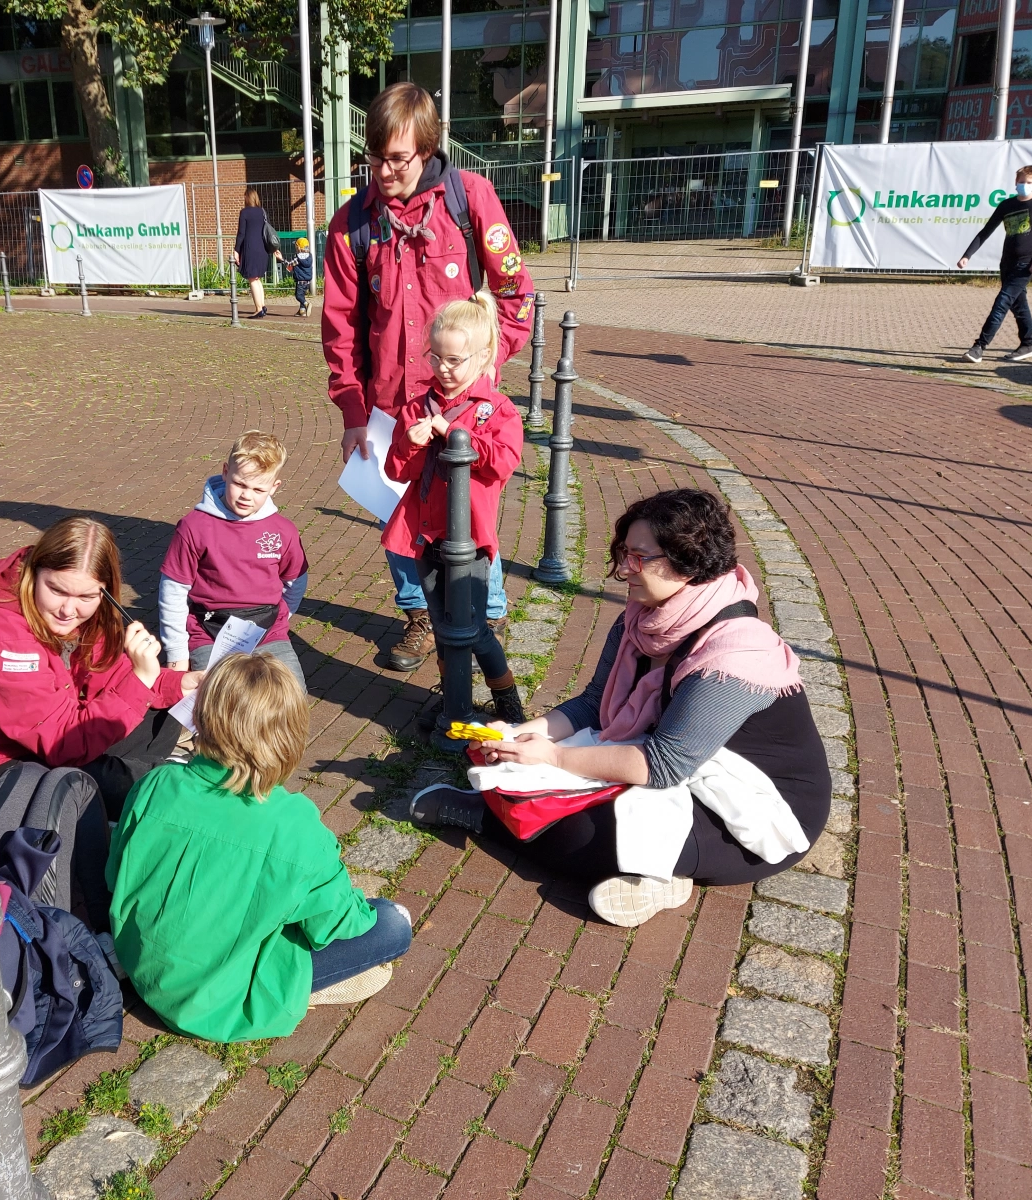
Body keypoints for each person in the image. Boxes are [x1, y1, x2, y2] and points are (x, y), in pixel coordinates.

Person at [409, 490, 831, 928]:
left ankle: (489, 818)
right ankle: (655, 872)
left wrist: (552, 755)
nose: (623, 569)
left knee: (579, 830)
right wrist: (517, 735)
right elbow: (594, 703)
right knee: (510, 764)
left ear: (688, 559)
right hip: (679, 764)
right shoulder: (643, 614)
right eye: (623, 553)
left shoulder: (736, 655)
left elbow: (663, 765)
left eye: (639, 557)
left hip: (753, 808)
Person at [322, 81, 535, 672]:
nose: (384, 171)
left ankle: (484, 616)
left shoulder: (471, 199)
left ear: (427, 148)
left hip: (464, 410)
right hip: (392, 410)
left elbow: (518, 293)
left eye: (398, 158)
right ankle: (418, 615)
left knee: (469, 513)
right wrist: (353, 414)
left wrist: (493, 358)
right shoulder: (351, 225)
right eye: (374, 156)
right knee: (397, 517)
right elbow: (340, 326)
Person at [106, 653, 414, 1041]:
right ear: (289, 736)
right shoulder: (295, 823)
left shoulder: (156, 783)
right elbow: (337, 925)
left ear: (199, 718)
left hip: (146, 970)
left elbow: (116, 873)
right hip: (229, 1002)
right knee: (392, 923)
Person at [0, 516, 195, 823]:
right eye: (57, 590)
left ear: (104, 591)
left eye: (86, 597)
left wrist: (184, 684)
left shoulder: (80, 609)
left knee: (168, 713)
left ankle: (136, 789)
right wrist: (142, 679)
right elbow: (64, 745)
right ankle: (143, 793)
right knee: (125, 785)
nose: (68, 610)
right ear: (35, 572)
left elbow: (107, 673)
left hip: (50, 734)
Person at [384, 293, 526, 724]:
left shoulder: (496, 410)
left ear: (483, 358)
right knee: (443, 626)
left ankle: (506, 699)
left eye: (455, 361)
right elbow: (396, 468)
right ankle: (453, 697)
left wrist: (455, 434)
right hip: (425, 534)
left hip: (471, 539)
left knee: (473, 626)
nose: (443, 370)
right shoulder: (416, 404)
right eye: (436, 358)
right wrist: (410, 441)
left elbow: (504, 461)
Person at [161, 430, 310, 689]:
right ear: (225, 472)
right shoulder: (194, 527)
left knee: (291, 695)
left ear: (274, 487)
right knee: (215, 700)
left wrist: (283, 617)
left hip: (267, 630)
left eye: (258, 489)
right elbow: (173, 589)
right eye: (239, 484)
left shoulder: (283, 531)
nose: (246, 496)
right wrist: (176, 652)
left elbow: (295, 579)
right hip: (209, 631)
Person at [956, 165, 1032, 364]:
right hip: (1007, 263)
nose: (1024, 186)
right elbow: (985, 232)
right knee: (1018, 304)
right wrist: (967, 255)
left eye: (1028, 183)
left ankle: (979, 346)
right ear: (1015, 182)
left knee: (1002, 302)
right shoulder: (1007, 205)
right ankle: (1029, 343)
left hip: (1027, 264)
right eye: (1021, 182)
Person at [235, 187, 273, 319]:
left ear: (247, 198)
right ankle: (262, 305)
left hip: (250, 248)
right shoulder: (262, 212)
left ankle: (258, 309)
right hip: (262, 248)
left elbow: (241, 234)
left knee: (252, 278)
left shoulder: (244, 213)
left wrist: (236, 250)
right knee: (257, 279)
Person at [283, 236, 314, 317]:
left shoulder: (298, 258)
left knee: (298, 296)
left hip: (300, 280)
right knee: (302, 295)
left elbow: (289, 265)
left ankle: (307, 304)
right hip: (307, 281)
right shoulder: (309, 256)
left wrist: (281, 259)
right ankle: (302, 311)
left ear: (299, 248)